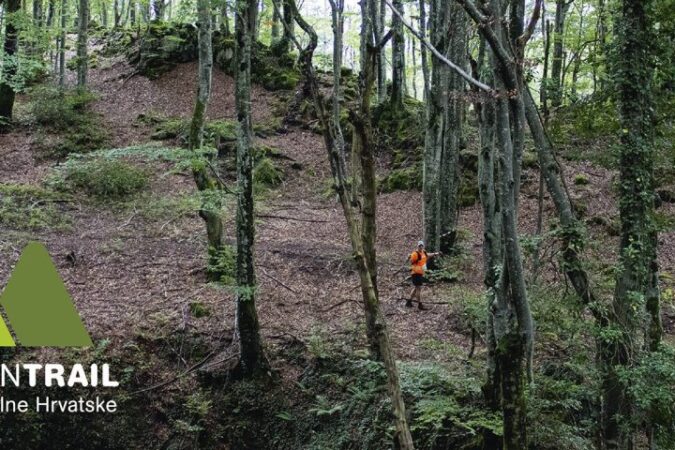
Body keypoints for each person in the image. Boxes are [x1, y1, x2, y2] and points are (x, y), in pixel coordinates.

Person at [406, 240, 440, 310]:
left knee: (416, 288)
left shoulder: (423, 252)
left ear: (423, 246)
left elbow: (428, 255)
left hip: (420, 273)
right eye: (419, 246)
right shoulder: (415, 254)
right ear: (417, 246)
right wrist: (410, 256)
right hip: (415, 273)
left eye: (422, 246)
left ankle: (409, 302)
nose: (421, 247)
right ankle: (420, 305)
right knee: (418, 288)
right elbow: (411, 260)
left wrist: (435, 254)